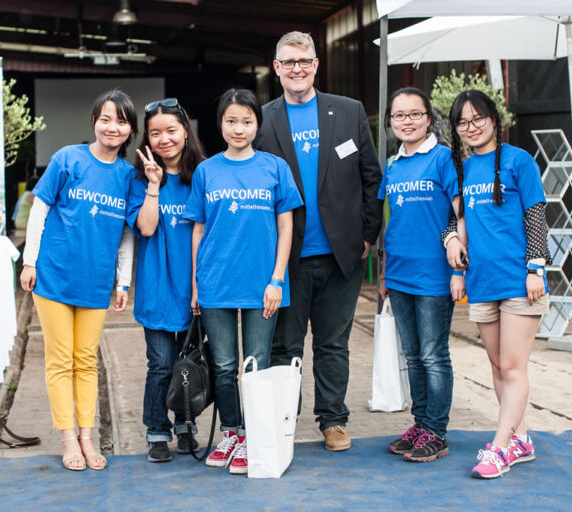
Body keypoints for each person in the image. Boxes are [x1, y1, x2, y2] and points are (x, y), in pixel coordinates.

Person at [254, 31, 382, 452]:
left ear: (316, 64)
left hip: (340, 255)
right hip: (285, 258)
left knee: (333, 344)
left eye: (304, 60)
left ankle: (333, 421)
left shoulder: (348, 111)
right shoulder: (262, 120)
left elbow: (371, 176)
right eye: (289, 62)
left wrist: (367, 235)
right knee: (284, 346)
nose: (297, 69)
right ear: (277, 68)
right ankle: (283, 422)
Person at [183, 88, 303, 475]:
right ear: (220, 124)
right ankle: (231, 433)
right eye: (231, 121)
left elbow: (286, 227)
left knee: (256, 365)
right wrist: (197, 284)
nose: (239, 128)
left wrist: (277, 280)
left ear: (257, 124)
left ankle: (254, 436)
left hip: (262, 285)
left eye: (247, 121)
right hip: (215, 282)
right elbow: (198, 229)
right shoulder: (207, 171)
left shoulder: (275, 168)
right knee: (223, 365)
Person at [20, 89, 138, 471]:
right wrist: (30, 262)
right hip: (53, 276)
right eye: (105, 119)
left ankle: (88, 438)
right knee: (60, 360)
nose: (112, 127)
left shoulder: (128, 176)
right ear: (94, 121)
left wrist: (123, 282)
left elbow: (126, 233)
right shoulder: (67, 159)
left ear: (130, 129)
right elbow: (39, 209)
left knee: (86, 360)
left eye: (121, 121)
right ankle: (68, 438)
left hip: (96, 282)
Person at [443, 89, 551, 479]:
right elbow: (457, 221)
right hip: (482, 281)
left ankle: (500, 448)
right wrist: (455, 260)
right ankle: (520, 439)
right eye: (462, 122)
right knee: (496, 366)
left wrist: (536, 268)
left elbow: (536, 214)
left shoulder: (519, 161)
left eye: (478, 118)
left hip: (519, 280)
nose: (471, 127)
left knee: (512, 365)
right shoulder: (463, 168)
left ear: (494, 118)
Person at [378, 87, 463, 463]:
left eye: (415, 114)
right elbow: (390, 220)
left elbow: (460, 213)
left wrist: (459, 266)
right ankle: (421, 423)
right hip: (398, 274)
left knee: (433, 355)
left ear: (429, 118)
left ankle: (437, 431)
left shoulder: (444, 159)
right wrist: (384, 272)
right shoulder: (393, 165)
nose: (407, 121)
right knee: (413, 356)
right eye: (399, 115)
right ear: (390, 122)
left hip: (434, 274)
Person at [128, 98, 206, 463]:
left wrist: (201, 286)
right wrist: (154, 184)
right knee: (160, 364)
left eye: (171, 130)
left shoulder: (204, 174)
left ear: (185, 132)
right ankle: (157, 430)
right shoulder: (138, 179)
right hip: (157, 287)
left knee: (188, 363)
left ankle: (186, 425)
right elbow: (146, 227)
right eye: (155, 133)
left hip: (195, 288)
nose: (164, 139)